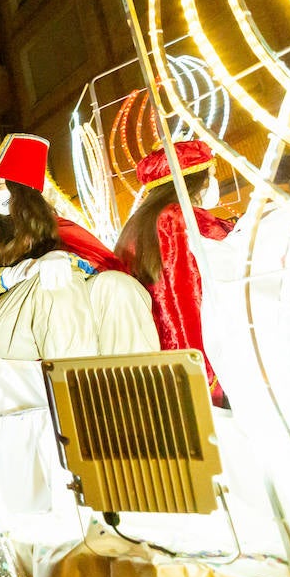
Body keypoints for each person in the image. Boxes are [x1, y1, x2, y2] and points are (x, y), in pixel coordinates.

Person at [0, 132, 160, 359]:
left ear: (21, 189)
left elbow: (97, 265)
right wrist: (20, 272)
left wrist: (63, 259)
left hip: (51, 312)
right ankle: (75, 387)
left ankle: (138, 386)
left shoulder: (56, 228)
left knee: (118, 285)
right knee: (55, 283)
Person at [114, 140, 235, 402]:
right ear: (195, 181)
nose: (214, 182)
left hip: (154, 359)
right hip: (200, 355)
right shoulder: (184, 217)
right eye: (211, 174)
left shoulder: (136, 225)